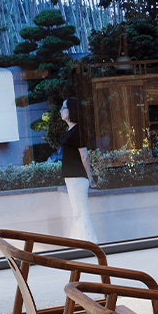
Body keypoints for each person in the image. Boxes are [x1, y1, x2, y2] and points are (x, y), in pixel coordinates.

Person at [58, 98, 99, 242]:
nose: (61, 110)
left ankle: (92, 244)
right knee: (77, 214)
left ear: (71, 110)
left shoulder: (78, 130)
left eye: (64, 107)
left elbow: (84, 157)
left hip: (78, 178)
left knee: (82, 214)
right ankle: (82, 243)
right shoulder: (71, 130)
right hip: (71, 178)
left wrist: (89, 176)